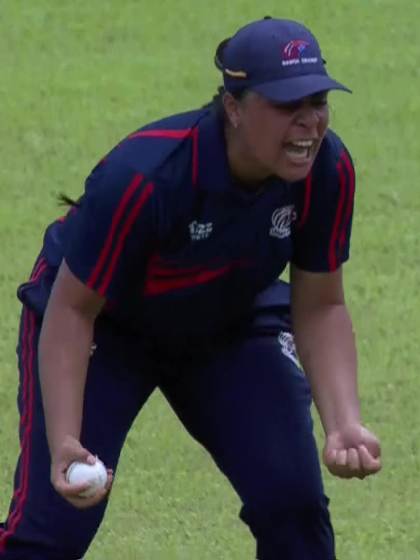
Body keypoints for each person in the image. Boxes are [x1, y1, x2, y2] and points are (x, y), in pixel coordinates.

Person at [0, 16, 381, 560]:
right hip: (107, 329)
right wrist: (64, 440)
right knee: (51, 535)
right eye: (284, 105)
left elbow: (320, 305)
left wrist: (343, 423)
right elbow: (72, 309)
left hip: (228, 323)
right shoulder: (147, 175)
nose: (307, 124)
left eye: (317, 101)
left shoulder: (327, 171)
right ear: (233, 107)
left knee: (294, 508)